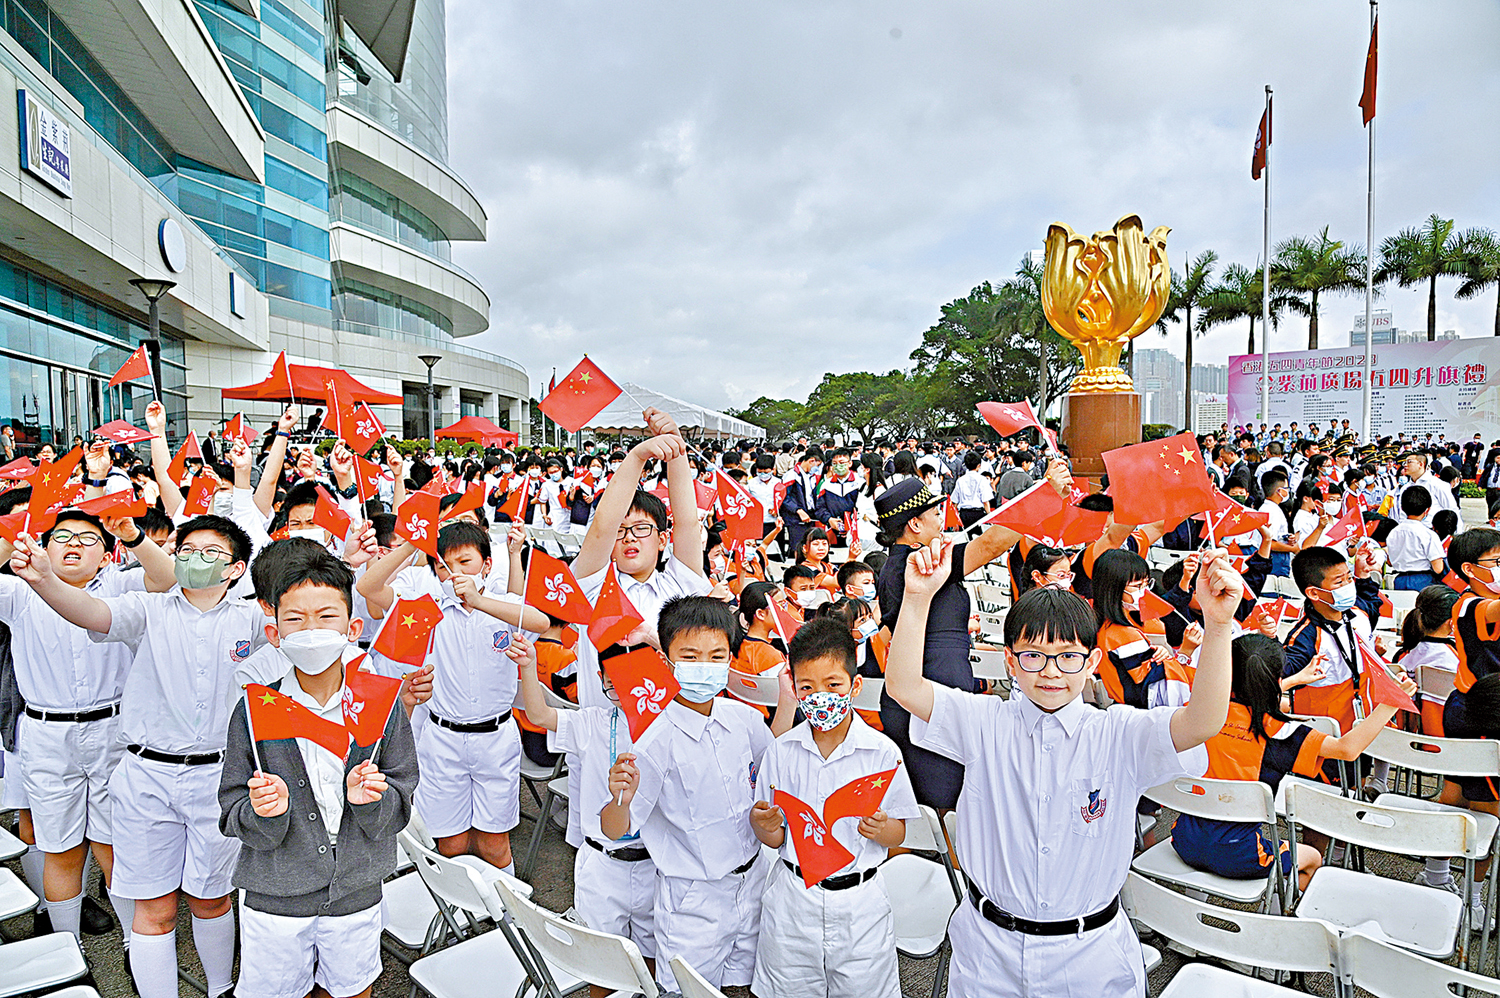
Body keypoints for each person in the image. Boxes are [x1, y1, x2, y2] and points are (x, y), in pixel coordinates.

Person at [884, 539, 1240, 998]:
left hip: (1088, 954)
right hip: (990, 950)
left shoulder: (1118, 733)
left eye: (1068, 656)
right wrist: (917, 598)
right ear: (1010, 660)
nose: (1050, 672)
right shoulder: (982, 721)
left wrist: (1218, 626)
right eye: (1033, 655)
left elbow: (1202, 722)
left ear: (1092, 662)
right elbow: (904, 686)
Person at [11, 515, 265, 998]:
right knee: (155, 908)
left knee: (211, 899)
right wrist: (43, 579)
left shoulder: (252, 621)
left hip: (218, 776)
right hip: (147, 775)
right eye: (187, 550)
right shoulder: (147, 609)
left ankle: (221, 987)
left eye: (211, 552)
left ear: (235, 569)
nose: (195, 559)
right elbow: (88, 611)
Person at [219, 545, 416, 998]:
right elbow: (230, 809)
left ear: (352, 628)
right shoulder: (255, 709)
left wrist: (373, 802)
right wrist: (262, 812)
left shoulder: (381, 705)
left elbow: (402, 798)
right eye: (295, 619)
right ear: (274, 632)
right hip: (276, 893)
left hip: (355, 889)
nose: (311, 631)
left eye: (326, 617)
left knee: (350, 990)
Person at [603, 596, 795, 992]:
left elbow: (770, 764)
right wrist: (620, 796)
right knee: (689, 988)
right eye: (690, 657)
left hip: (753, 881)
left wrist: (788, 701)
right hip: (694, 899)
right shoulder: (655, 740)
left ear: (730, 658)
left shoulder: (744, 719)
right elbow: (615, 827)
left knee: (748, 981)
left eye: (716, 656)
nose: (704, 666)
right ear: (666, 661)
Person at [0, 511, 166, 944]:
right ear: (44, 547)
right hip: (47, 735)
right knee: (61, 849)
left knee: (115, 845)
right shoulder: (20, 592)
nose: (74, 543)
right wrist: (13, 537)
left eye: (88, 538)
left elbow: (166, 578)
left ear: (106, 555)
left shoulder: (120, 586)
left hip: (113, 730)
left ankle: (134, 946)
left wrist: (134, 536)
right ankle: (67, 948)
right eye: (62, 536)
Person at [357, 519, 548, 875]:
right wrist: (413, 543)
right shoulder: (425, 610)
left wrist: (480, 600)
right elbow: (368, 586)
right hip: (443, 739)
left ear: (486, 565)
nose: (455, 573)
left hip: (495, 739)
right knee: (451, 843)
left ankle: (503, 904)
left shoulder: (503, 605)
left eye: (465, 562)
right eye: (444, 566)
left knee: (494, 843)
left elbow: (541, 622)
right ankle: (460, 906)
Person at [748, 618, 919, 998]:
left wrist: (882, 828)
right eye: (807, 687)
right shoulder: (781, 751)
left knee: (864, 988)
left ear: (854, 686)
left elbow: (899, 833)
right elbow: (774, 838)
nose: (820, 696)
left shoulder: (882, 752)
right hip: (793, 899)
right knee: (788, 989)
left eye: (833, 685)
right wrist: (763, 825)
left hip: (859, 901)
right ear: (794, 687)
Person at [1171, 633, 1414, 892]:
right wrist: (1391, 704)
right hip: (1239, 854)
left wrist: (1296, 679)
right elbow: (1347, 749)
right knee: (1313, 858)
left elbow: (1249, 695)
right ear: (1276, 680)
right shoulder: (1281, 734)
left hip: (1184, 838)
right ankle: (1281, 912)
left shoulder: (1198, 713)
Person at [512, 632, 657, 993]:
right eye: (613, 681)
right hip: (601, 864)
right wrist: (529, 666)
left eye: (634, 677)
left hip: (655, 863)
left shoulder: (665, 726)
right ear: (601, 678)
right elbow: (539, 714)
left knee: (651, 959)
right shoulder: (592, 722)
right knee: (602, 967)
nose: (624, 689)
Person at [1092, 549, 1195, 708]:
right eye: (1137, 586)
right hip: (1141, 712)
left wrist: (1157, 653)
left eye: (1146, 584)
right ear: (1113, 589)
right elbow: (1154, 686)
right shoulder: (1122, 634)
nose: (1144, 591)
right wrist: (1185, 652)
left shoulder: (1109, 627)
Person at [1387, 486, 1446, 591]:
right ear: (1427, 510)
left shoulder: (1393, 532)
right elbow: (1438, 568)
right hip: (1423, 582)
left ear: (1402, 508)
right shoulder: (1429, 535)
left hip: (1399, 581)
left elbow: (1390, 561)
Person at [951, 450, 994, 528]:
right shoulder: (982, 479)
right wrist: (989, 515)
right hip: (978, 513)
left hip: (964, 514)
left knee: (967, 534)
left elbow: (955, 501)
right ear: (978, 465)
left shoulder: (960, 480)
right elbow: (985, 501)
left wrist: (955, 520)